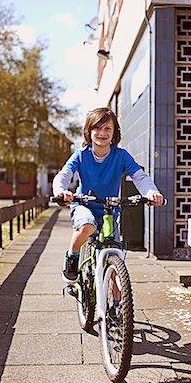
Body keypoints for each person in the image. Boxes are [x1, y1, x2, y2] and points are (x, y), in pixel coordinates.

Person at [53, 107, 164, 284]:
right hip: (84, 205)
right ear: (89, 132)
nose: (102, 133)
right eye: (97, 128)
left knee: (115, 257)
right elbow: (64, 174)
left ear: (114, 133)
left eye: (107, 129)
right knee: (87, 226)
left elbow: (139, 176)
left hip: (109, 210)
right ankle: (72, 256)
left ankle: (117, 306)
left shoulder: (121, 156)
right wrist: (61, 191)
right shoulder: (81, 155)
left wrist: (151, 193)